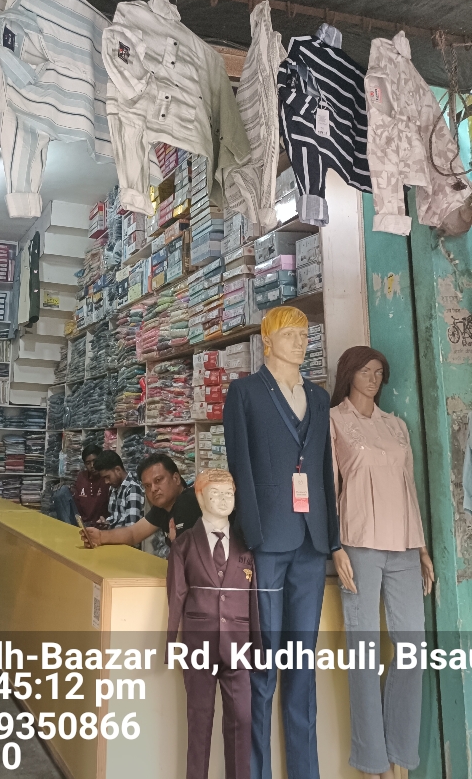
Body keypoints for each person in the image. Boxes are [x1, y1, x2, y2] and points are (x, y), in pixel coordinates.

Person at [223, 304, 340, 779]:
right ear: (267, 340)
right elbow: (240, 465)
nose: (300, 342)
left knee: (302, 664)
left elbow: (324, 470)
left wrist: (333, 538)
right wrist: (250, 534)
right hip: (268, 539)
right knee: (263, 664)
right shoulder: (245, 393)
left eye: (305, 334)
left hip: (311, 540)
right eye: (291, 334)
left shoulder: (319, 397)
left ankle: (305, 771)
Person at [330, 346, 434, 779]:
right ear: (349, 374)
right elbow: (328, 487)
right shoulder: (334, 421)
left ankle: (400, 758)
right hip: (358, 546)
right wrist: (334, 546)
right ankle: (373, 763)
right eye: (365, 371)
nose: (373, 379)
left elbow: (409, 486)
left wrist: (422, 548)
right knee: (364, 649)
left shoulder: (396, 426)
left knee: (412, 648)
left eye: (379, 372)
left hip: (404, 545)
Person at [167, 469, 260, 779]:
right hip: (198, 645)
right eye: (215, 493)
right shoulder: (184, 545)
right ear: (199, 497)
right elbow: (176, 595)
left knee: (242, 720)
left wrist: (257, 646)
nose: (223, 500)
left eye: (228, 494)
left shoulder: (247, 545)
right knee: (199, 721)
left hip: (239, 646)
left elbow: (254, 600)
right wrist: (171, 644)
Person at [81, 452, 201, 549]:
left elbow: (190, 558)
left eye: (158, 480)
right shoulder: (163, 507)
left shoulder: (188, 502)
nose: (153, 489)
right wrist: (100, 537)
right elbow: (133, 533)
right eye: (147, 486)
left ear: (176, 478)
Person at [52, 443, 109, 526]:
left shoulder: (107, 478)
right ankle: (68, 529)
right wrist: (68, 488)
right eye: (88, 463)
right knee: (61, 492)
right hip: (81, 522)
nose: (92, 466)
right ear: (85, 464)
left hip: (98, 524)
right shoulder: (82, 476)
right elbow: (75, 500)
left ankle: (70, 530)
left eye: (94, 461)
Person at [92, 450, 144, 528]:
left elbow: (131, 529)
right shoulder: (113, 488)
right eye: (104, 478)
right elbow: (116, 519)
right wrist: (107, 523)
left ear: (118, 470)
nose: (106, 482)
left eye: (107, 477)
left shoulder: (132, 489)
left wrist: (107, 533)